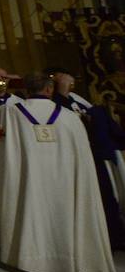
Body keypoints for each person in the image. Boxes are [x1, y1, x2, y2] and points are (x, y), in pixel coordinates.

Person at [0, 73, 114, 272]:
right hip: (67, 180)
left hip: (29, 179)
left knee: (32, 211)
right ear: (50, 89)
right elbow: (83, 155)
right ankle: (81, 259)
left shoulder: (10, 113)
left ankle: (30, 257)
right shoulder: (70, 117)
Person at [49, 68, 125, 249]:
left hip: (98, 152)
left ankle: (115, 235)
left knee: (108, 196)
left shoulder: (78, 100)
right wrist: (62, 93)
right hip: (74, 156)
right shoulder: (55, 101)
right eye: (62, 79)